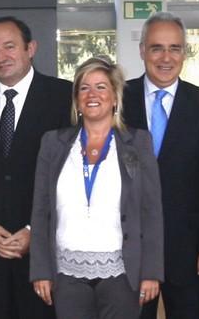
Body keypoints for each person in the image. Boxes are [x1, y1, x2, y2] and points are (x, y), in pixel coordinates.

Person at [0, 16, 75, 319]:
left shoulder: (65, 97)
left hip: (45, 253)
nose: (1, 56)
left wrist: (36, 231)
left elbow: (73, 178)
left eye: (9, 47)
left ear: (31, 48)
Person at [29, 57, 165, 319]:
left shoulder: (138, 143)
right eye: (84, 88)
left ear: (115, 97)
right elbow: (41, 210)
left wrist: (151, 272)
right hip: (66, 276)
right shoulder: (53, 144)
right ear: (76, 99)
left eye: (101, 87)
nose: (92, 94)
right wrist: (41, 271)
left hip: (122, 275)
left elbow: (152, 212)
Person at [121, 12, 199, 319]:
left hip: (191, 254)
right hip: (130, 255)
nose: (165, 57)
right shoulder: (116, 101)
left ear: (184, 52)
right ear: (142, 50)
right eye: (157, 48)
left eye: (174, 48)